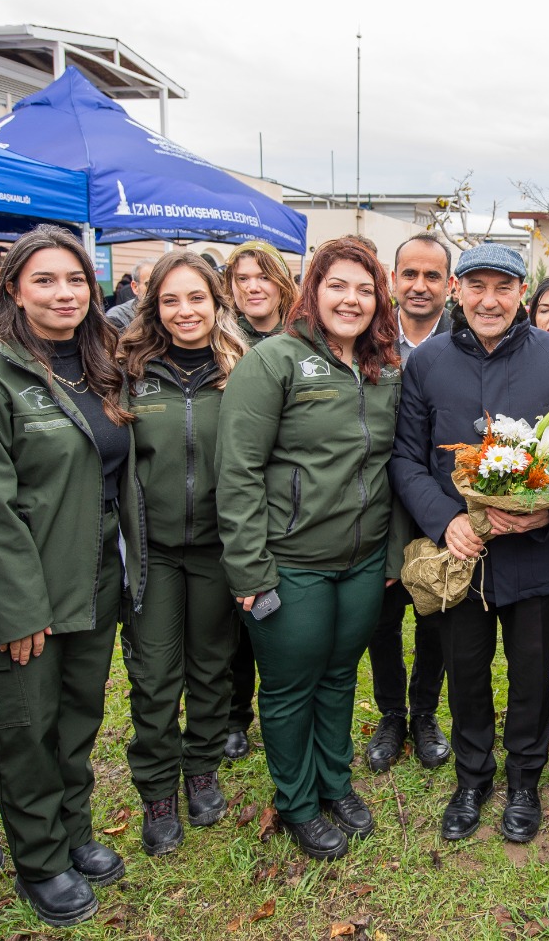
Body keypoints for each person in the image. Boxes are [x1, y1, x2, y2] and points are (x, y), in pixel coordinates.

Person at [0, 226, 143, 928]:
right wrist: (18, 611)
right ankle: (39, 860)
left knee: (77, 722)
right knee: (28, 730)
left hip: (92, 583)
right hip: (23, 599)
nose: (63, 294)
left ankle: (73, 831)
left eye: (75, 281)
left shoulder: (101, 370)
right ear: (14, 291)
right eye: (45, 281)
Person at [389, 243, 549, 845]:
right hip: (463, 555)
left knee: (530, 672)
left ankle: (525, 779)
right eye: (476, 286)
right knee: (467, 669)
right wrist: (445, 521)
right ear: (457, 290)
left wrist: (545, 515)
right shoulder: (428, 364)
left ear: (521, 294)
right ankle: (472, 777)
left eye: (502, 287)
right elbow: (407, 458)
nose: (489, 300)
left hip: (535, 553)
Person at [217, 236, 402, 861]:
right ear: (312, 291)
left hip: (362, 560)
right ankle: (296, 800)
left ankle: (335, 781)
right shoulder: (275, 361)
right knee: (291, 683)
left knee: (339, 675)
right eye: (337, 286)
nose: (351, 300)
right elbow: (238, 470)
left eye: (364, 288)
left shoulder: (383, 369)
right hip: (289, 561)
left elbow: (392, 467)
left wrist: (390, 555)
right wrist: (248, 568)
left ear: (378, 298)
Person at [116, 250, 247, 855]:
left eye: (196, 297)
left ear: (217, 301)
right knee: (154, 674)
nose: (184, 310)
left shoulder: (241, 370)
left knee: (211, 667)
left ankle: (201, 771)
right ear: (154, 306)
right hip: (155, 551)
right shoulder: (127, 369)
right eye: (171, 299)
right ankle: (156, 791)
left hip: (217, 549)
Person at [367, 234, 454, 773]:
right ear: (393, 279)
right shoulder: (366, 341)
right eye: (409, 275)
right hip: (376, 504)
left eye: (432, 276)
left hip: (441, 505)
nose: (419, 286)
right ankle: (392, 713)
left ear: (449, 284)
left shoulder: (466, 342)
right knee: (381, 617)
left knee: (436, 614)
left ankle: (424, 712)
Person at [219, 239, 299, 759]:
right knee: (230, 620)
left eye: (263, 276)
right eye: (243, 277)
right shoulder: (216, 339)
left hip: (286, 502)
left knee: (272, 612)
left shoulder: (299, 342)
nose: (253, 286)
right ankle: (233, 713)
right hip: (229, 490)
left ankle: (277, 702)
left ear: (282, 284)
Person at [105, 259, 154, 328]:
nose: (156, 289)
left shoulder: (170, 313)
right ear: (135, 287)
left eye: (161, 284)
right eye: (149, 284)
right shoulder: (117, 317)